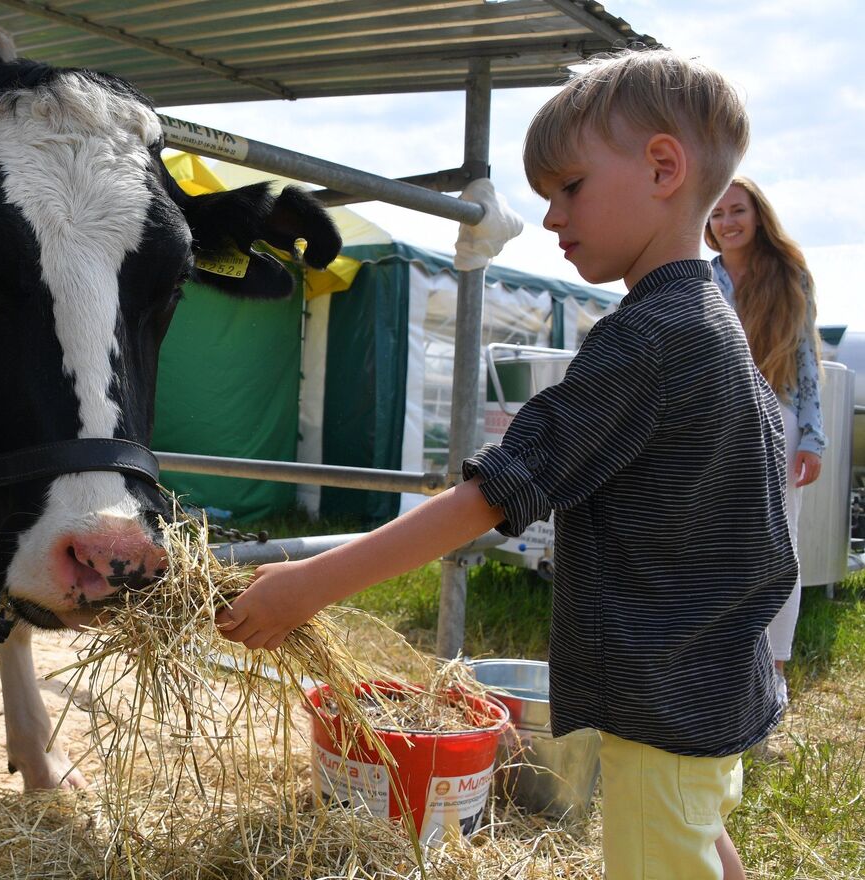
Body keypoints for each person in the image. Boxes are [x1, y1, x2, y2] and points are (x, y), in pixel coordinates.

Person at [217, 50, 794, 880]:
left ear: (664, 167)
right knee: (692, 836)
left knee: (666, 847)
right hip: (709, 684)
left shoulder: (652, 337)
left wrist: (308, 585)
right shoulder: (713, 325)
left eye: (569, 188)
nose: (552, 218)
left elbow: (496, 493)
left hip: (669, 699)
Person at [706, 176, 824, 705]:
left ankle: (773, 675)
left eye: (737, 211)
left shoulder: (789, 275)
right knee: (719, 546)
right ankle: (725, 668)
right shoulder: (702, 279)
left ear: (758, 216)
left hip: (780, 418)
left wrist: (814, 437)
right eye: (716, 214)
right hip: (720, 421)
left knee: (780, 547)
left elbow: (806, 360)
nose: (727, 222)